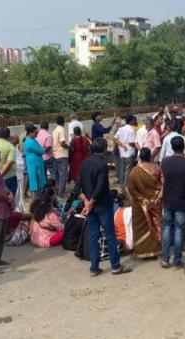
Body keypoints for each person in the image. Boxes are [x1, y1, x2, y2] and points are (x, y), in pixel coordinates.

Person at [75, 138, 131, 276]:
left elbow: (77, 187)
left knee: (93, 235)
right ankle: (115, 266)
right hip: (103, 205)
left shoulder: (84, 163)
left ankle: (94, 267)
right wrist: (91, 201)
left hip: (91, 207)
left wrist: (86, 201)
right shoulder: (102, 164)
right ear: (104, 149)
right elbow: (100, 187)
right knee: (110, 235)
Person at [160, 137, 185, 268]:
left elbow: (163, 180)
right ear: (183, 147)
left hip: (168, 200)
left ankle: (165, 257)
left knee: (167, 227)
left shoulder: (165, 162)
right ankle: (177, 260)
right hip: (183, 200)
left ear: (172, 147)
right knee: (180, 230)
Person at [127, 147, 163, 259]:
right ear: (150, 156)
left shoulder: (134, 171)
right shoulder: (157, 168)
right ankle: (155, 251)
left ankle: (141, 252)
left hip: (140, 205)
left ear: (139, 157)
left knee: (140, 227)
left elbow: (131, 189)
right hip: (155, 203)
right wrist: (157, 197)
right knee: (155, 225)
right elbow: (163, 185)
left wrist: (142, 199)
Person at [0, 127, 18, 196]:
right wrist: (0, 176)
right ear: (9, 135)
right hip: (8, 178)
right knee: (10, 200)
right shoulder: (10, 147)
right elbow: (9, 164)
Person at [23, 124, 48, 199]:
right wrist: (45, 149)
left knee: (37, 180)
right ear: (30, 133)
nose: (37, 134)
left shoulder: (32, 140)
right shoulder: (29, 141)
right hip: (34, 164)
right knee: (35, 181)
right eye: (35, 132)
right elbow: (40, 150)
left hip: (36, 163)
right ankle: (36, 200)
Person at [114, 115, 137, 188]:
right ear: (130, 121)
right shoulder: (131, 130)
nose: (134, 122)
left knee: (123, 170)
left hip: (122, 153)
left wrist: (122, 145)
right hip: (129, 153)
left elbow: (115, 138)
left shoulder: (121, 129)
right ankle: (126, 186)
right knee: (128, 170)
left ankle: (122, 185)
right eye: (133, 120)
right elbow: (131, 143)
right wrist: (137, 144)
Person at [52, 115, 70, 197]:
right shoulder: (61, 130)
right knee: (63, 174)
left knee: (58, 174)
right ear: (63, 122)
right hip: (62, 154)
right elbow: (62, 143)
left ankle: (58, 190)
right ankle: (60, 192)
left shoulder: (54, 130)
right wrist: (70, 148)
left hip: (56, 155)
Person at [11, 136, 26, 213]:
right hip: (16, 174)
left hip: (19, 173)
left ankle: (20, 208)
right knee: (17, 192)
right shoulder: (11, 149)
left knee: (20, 192)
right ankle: (17, 208)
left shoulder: (16, 148)